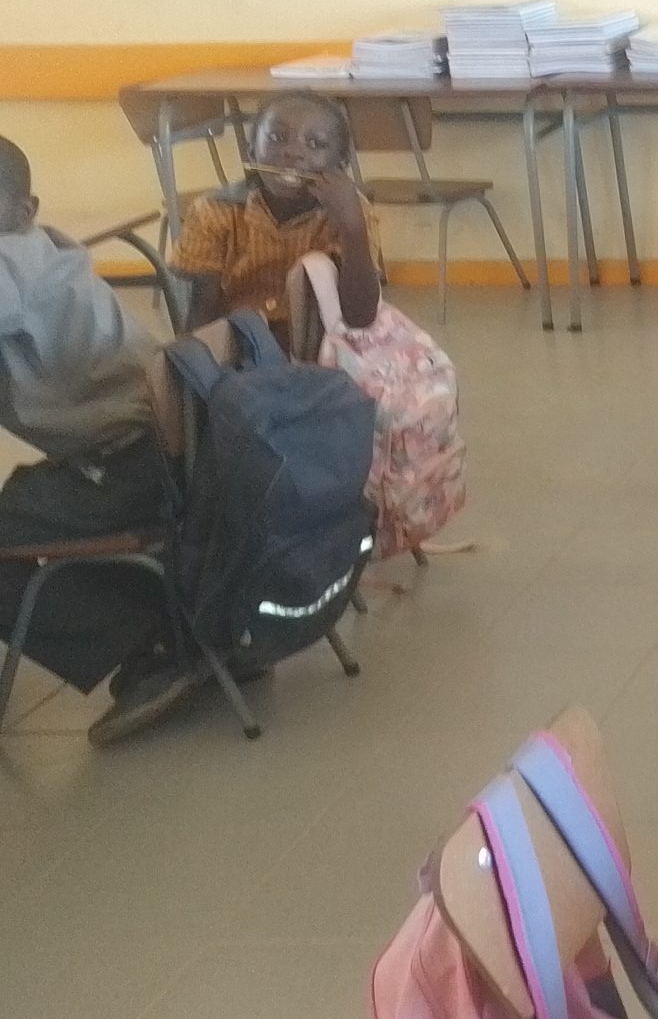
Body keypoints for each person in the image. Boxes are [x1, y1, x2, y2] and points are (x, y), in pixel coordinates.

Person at [0, 137, 197, 743]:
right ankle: (172, 623)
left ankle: (150, 649)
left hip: (131, 464)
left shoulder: (11, 263)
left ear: (24, 211)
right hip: (177, 442)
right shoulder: (42, 246)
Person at [171, 94, 383, 337]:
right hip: (240, 342)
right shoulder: (213, 212)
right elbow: (200, 318)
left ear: (341, 165)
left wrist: (352, 227)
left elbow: (360, 317)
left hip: (322, 346)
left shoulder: (353, 212)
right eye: (277, 138)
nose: (293, 153)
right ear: (251, 152)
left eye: (315, 144)